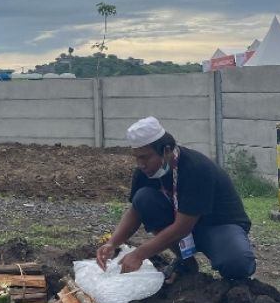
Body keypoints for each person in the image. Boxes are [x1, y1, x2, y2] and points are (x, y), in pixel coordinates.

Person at [96, 116, 256, 282]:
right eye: (137, 157)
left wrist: (139, 254)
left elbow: (182, 228)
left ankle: (238, 283)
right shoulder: (144, 173)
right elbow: (135, 211)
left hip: (218, 225)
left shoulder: (196, 169)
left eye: (145, 157)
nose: (140, 164)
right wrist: (112, 243)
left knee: (236, 262)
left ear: (166, 150)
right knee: (143, 197)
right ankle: (186, 263)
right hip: (183, 225)